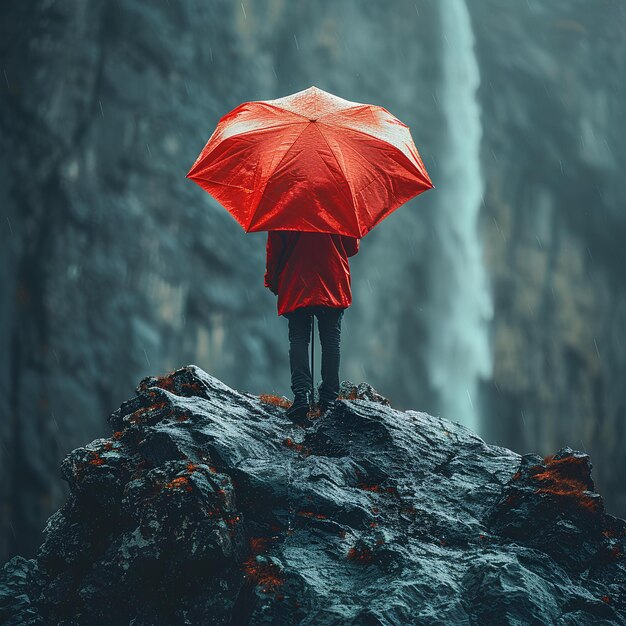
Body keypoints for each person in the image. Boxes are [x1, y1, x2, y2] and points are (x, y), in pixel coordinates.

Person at [264, 231, 360, 424]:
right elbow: (351, 247)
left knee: (299, 338)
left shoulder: (283, 206)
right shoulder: (338, 203)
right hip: (332, 274)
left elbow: (275, 249)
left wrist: (273, 279)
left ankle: (302, 396)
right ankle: (329, 398)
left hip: (296, 276)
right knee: (331, 341)